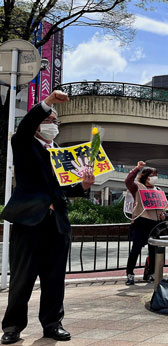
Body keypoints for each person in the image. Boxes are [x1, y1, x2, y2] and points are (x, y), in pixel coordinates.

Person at [0, 90, 95, 344]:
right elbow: (27, 124)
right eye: (50, 120)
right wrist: (48, 102)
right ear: (39, 124)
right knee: (22, 279)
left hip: (57, 225)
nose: (54, 125)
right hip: (29, 222)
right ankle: (12, 327)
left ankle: (53, 324)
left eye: (56, 122)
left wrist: (83, 187)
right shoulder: (23, 143)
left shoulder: (63, 154)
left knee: (55, 280)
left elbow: (63, 188)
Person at [124, 161, 167, 285]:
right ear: (144, 176)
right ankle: (130, 274)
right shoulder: (137, 187)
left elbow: (163, 208)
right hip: (141, 222)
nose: (154, 177)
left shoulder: (158, 190)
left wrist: (163, 215)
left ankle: (151, 273)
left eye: (155, 175)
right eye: (151, 175)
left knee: (154, 250)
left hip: (155, 224)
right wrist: (137, 168)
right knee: (136, 249)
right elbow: (128, 181)